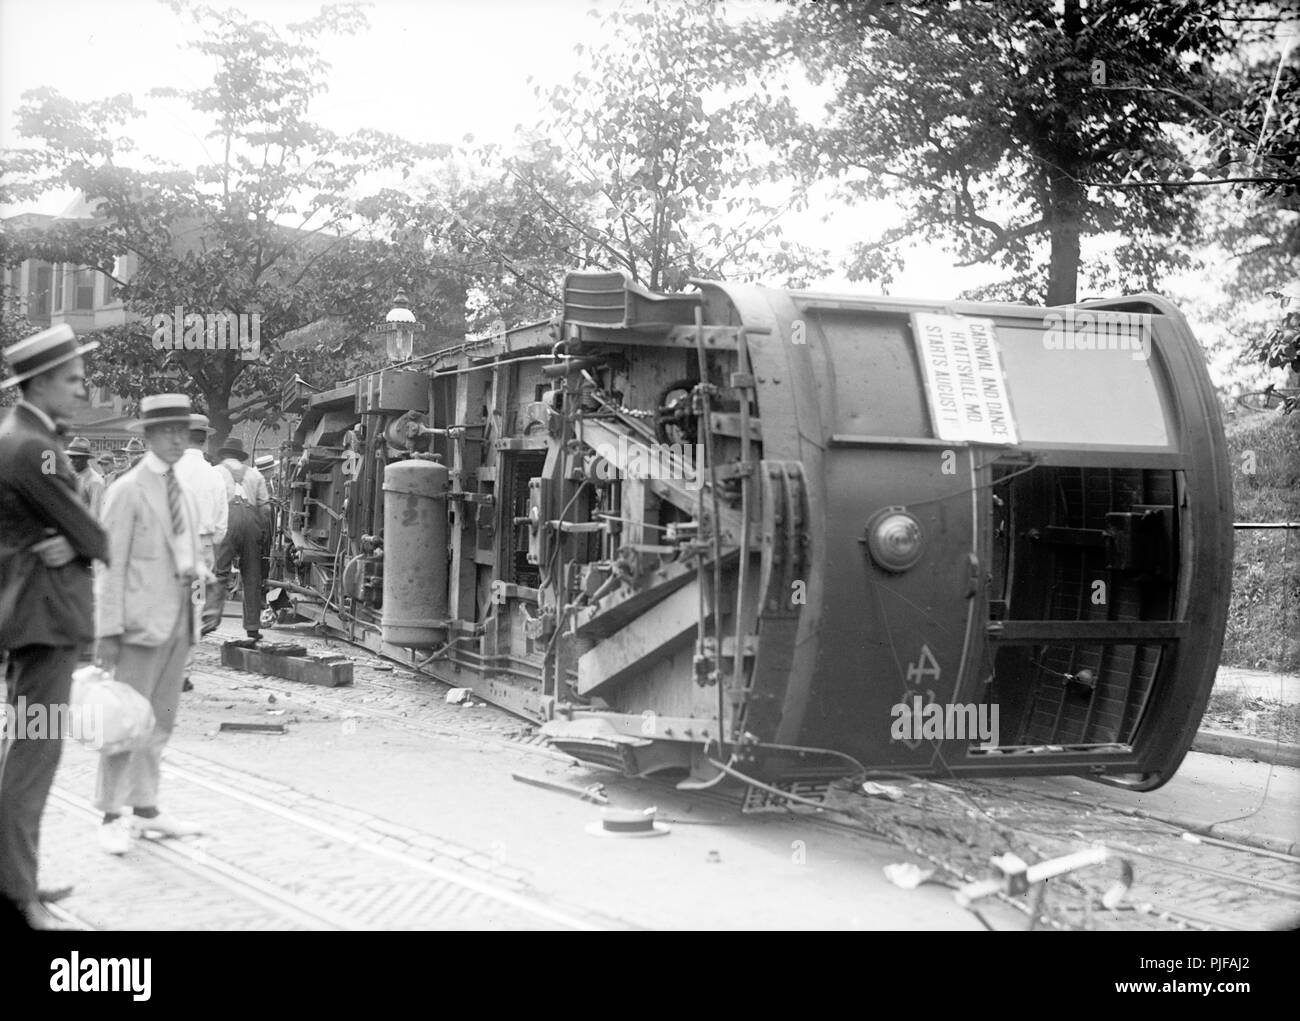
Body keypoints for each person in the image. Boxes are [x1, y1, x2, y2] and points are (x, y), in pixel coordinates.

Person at [0, 324, 109, 930]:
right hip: (43, 619)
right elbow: (95, 534)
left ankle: (18, 876)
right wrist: (83, 539)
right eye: (71, 378)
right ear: (39, 382)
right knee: (32, 757)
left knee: (28, 751)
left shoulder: (26, 436)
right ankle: (17, 894)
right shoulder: (32, 447)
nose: (81, 386)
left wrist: (74, 540)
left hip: (34, 617)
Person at [94, 393, 208, 855]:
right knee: (124, 722)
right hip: (139, 626)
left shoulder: (181, 488)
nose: (178, 439)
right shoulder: (126, 491)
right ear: (148, 437)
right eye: (167, 432)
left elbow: (186, 551)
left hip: (179, 621)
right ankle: (108, 814)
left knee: (159, 721)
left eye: (183, 431)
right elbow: (110, 566)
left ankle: (145, 808)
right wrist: (107, 631)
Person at [173, 414, 228, 688]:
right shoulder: (214, 475)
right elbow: (221, 527)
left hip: (171, 545)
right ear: (205, 440)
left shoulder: (170, 469)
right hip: (202, 549)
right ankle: (183, 673)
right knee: (194, 608)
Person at [213, 436, 269, 640]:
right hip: (251, 518)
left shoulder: (216, 471)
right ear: (239, 456)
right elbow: (266, 507)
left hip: (227, 518)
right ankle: (253, 627)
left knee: (219, 572)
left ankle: (207, 620)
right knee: (252, 576)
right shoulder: (255, 474)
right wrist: (260, 533)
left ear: (224, 455)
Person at [66, 435, 105, 518]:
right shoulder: (71, 476)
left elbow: (95, 514)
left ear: (86, 458)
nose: (72, 461)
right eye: (71, 457)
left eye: (76, 458)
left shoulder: (95, 481)